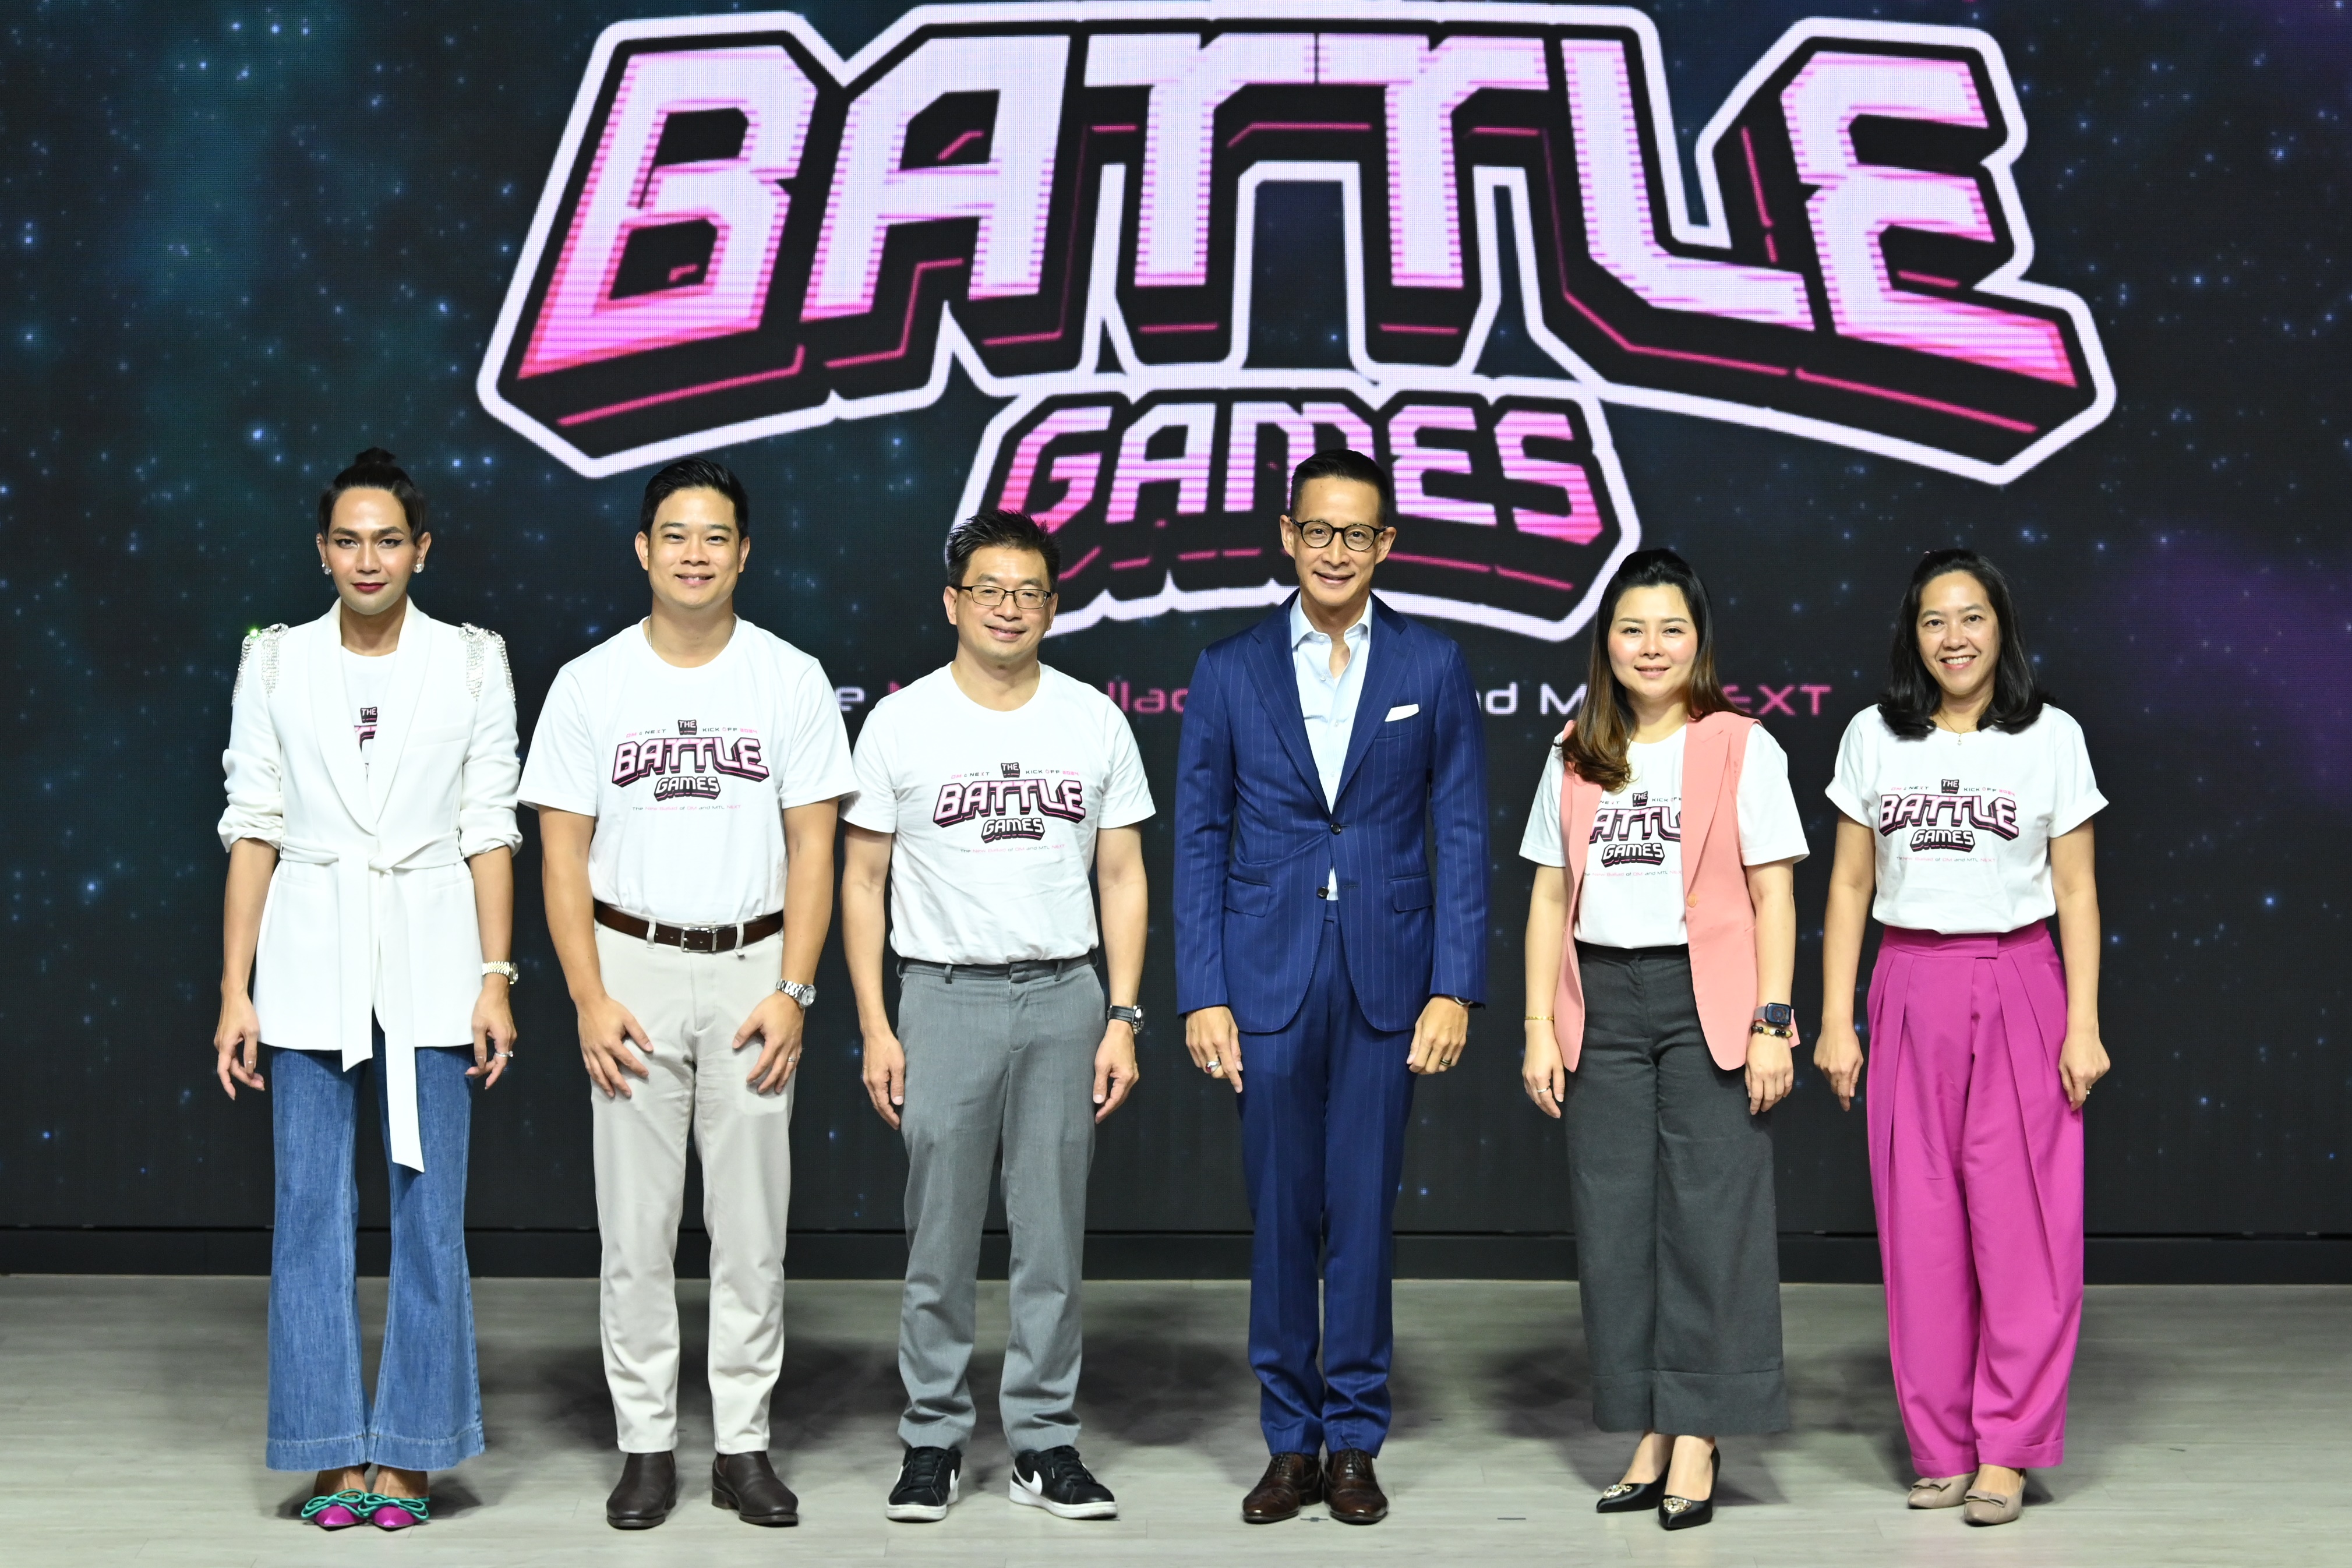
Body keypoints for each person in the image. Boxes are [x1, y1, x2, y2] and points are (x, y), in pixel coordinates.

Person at [520, 457, 854, 1531]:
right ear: (642, 549)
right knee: (636, 1231)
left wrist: (796, 987)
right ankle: (647, 1445)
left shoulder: (789, 678)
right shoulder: (591, 682)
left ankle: (743, 1446)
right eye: (675, 534)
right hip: (632, 971)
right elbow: (560, 855)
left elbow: (816, 847)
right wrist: (587, 996)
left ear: (743, 553)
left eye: (715, 536)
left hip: (757, 970)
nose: (695, 554)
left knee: (752, 1232)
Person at [1173, 448, 1489, 1526]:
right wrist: (1201, 992)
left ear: (1385, 544)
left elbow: (1459, 831)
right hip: (1263, 978)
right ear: (1287, 535)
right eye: (1319, 530)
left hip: (1387, 978)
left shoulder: (1431, 664)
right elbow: (1198, 837)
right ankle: (1287, 1442)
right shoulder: (1229, 667)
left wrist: (1455, 987)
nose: (1336, 551)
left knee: (1361, 1213)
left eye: (1357, 534)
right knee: (1279, 1217)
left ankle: (1353, 1439)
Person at [214, 447, 521, 1532]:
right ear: (322, 551)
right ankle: (328, 1448)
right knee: (308, 1213)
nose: (368, 558)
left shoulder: (472, 660)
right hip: (308, 957)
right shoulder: (276, 660)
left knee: (430, 1214)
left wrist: (495, 979)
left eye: (388, 539)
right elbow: (254, 823)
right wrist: (235, 990)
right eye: (348, 540)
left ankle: (415, 1452)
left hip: (434, 956)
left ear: (420, 550)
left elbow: (489, 826)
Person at [840, 508, 1150, 1525]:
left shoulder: (1093, 720)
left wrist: (1122, 1015)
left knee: (1050, 1240)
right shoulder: (900, 723)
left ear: (1052, 607)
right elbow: (863, 880)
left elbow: (1121, 874)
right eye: (988, 590)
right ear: (952, 603)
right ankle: (931, 1438)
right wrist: (877, 1025)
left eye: (1027, 593)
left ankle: (1043, 1442)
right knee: (937, 1239)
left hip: (1066, 997)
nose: (1007, 608)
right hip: (942, 997)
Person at [1813, 548, 2109, 1528]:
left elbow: (2076, 890)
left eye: (1971, 616)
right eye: (1934, 620)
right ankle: (1941, 1446)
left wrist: (2082, 1023)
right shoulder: (1872, 736)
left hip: (2018, 978)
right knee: (1920, 1227)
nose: (1954, 638)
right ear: (1912, 635)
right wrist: (1835, 1019)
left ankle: (2008, 1448)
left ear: (2000, 627)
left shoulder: (2049, 736)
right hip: (1908, 981)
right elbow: (1848, 884)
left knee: (2022, 1229)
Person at [1517, 548, 1807, 1532]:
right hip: (1598, 1006)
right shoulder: (1575, 749)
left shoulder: (1738, 744)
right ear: (1605, 641)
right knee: (1614, 1223)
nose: (1651, 647)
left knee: (1711, 1219)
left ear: (1698, 642)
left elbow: (1773, 894)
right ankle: (1646, 1423)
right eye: (1632, 629)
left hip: (1705, 1003)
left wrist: (1772, 1020)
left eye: (1670, 629)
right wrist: (1537, 1027)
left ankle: (1698, 1430)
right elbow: (1548, 894)